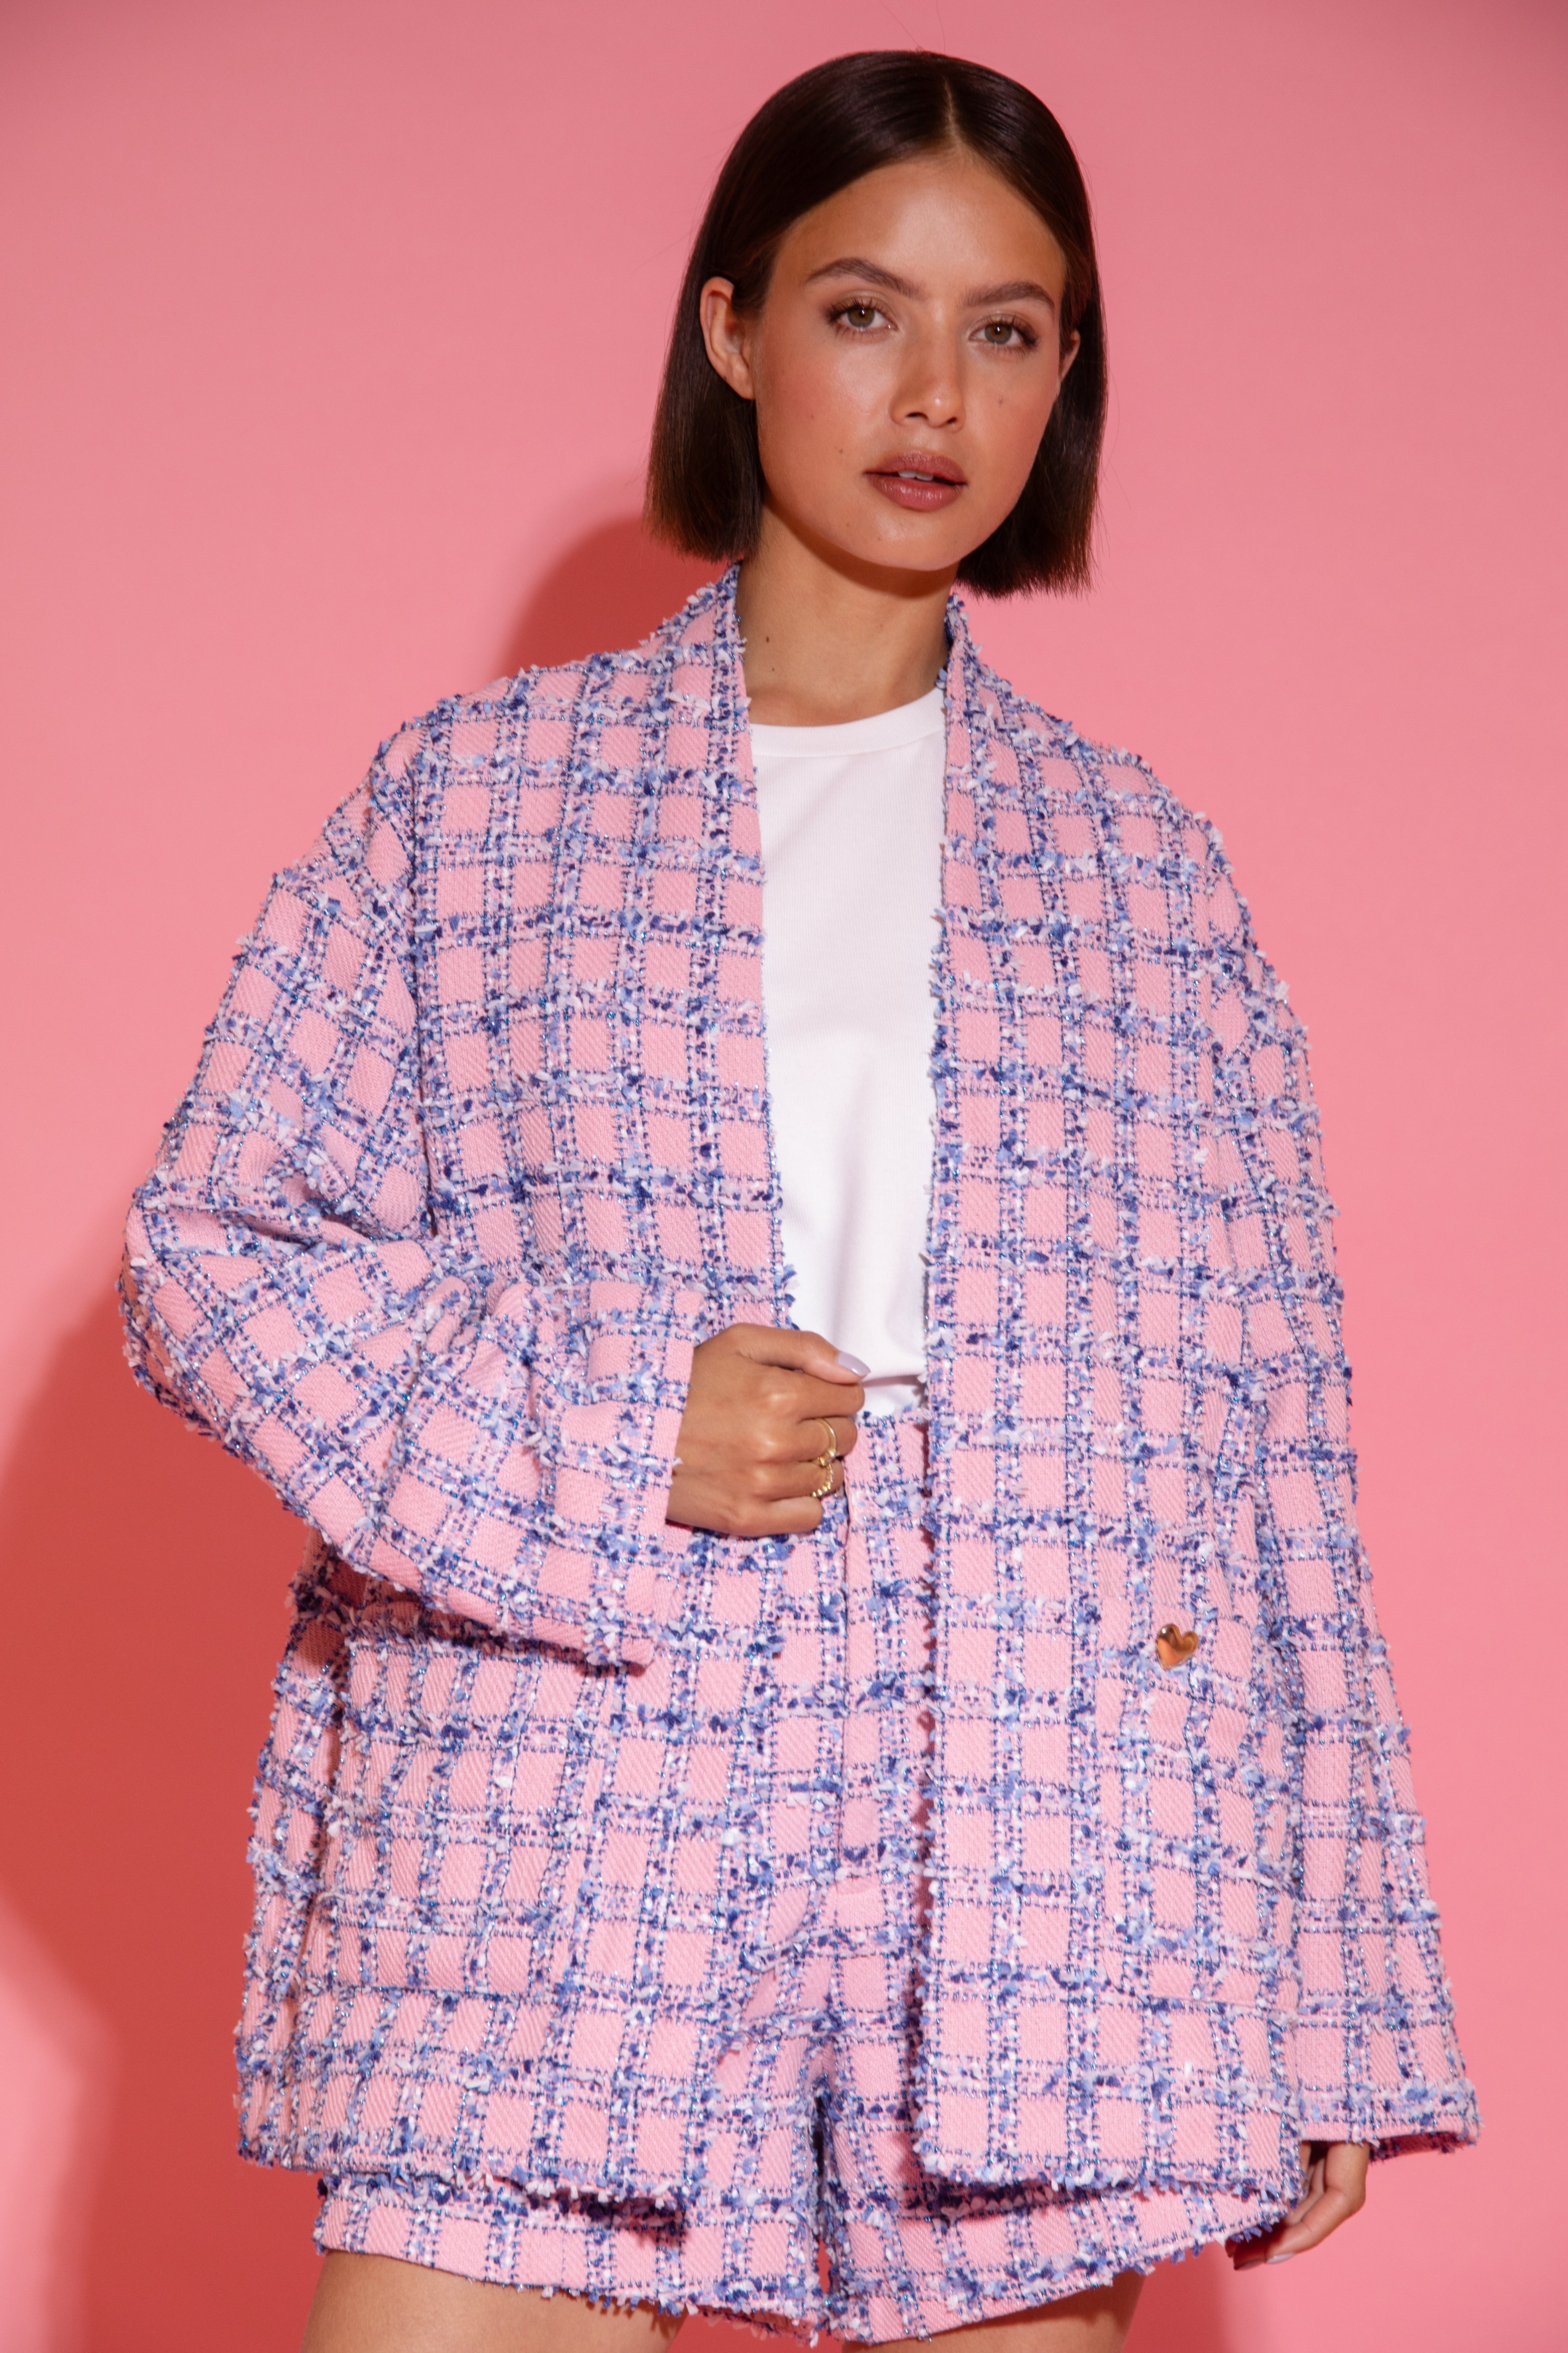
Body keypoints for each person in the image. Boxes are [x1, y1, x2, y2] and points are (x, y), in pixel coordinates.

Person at [120, 49, 1477, 2352]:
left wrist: (1330, 1977)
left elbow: (1267, 1447)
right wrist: (610, 1434)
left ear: (1063, 375)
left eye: (1007, 329)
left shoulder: (1143, 875)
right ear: (733, 328)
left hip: (1038, 1806)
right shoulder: (476, 808)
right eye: (863, 310)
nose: (935, 392)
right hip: (574, 1755)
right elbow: (215, 1251)